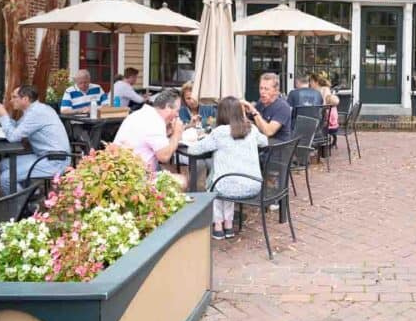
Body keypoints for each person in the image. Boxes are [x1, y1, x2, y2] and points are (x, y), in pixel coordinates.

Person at [186, 96, 267, 240]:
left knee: (216, 182)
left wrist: (192, 141)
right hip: (253, 184)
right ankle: (228, 225)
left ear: (221, 113)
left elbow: (194, 151)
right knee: (226, 177)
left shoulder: (220, 132)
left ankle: (218, 226)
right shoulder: (251, 128)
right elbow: (265, 142)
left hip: (226, 186)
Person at [0, 85, 71, 194]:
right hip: (44, 156)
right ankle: (30, 193)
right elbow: (16, 128)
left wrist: (3, 117)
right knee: (4, 164)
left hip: (55, 160)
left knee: (6, 178)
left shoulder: (36, 113)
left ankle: (24, 206)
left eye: (14, 97)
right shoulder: (34, 110)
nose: (11, 101)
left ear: (25, 99)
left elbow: (13, 137)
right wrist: (5, 116)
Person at [113, 88, 184, 175]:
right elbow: (164, 157)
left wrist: (169, 132)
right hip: (134, 178)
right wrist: (177, 133)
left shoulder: (141, 114)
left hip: (120, 171)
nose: (177, 115)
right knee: (182, 180)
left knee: (169, 170)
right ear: (168, 107)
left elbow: (149, 140)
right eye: (177, 111)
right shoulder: (155, 122)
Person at [242, 72, 293, 142]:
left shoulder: (283, 107)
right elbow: (251, 121)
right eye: (261, 88)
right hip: (262, 143)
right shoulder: (261, 102)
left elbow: (268, 132)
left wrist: (253, 111)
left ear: (276, 91)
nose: (262, 92)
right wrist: (244, 111)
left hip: (277, 148)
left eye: (266, 89)